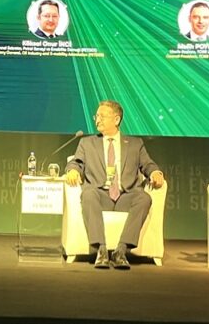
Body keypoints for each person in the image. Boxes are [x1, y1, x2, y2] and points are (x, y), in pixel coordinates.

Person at [65, 100, 164, 270]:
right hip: (100, 194)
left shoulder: (135, 144)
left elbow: (147, 164)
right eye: (96, 116)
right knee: (88, 194)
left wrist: (156, 173)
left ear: (116, 120)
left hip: (126, 195)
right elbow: (76, 162)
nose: (97, 120)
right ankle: (101, 250)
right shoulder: (87, 143)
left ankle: (121, 250)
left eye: (102, 116)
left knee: (144, 198)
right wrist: (72, 170)